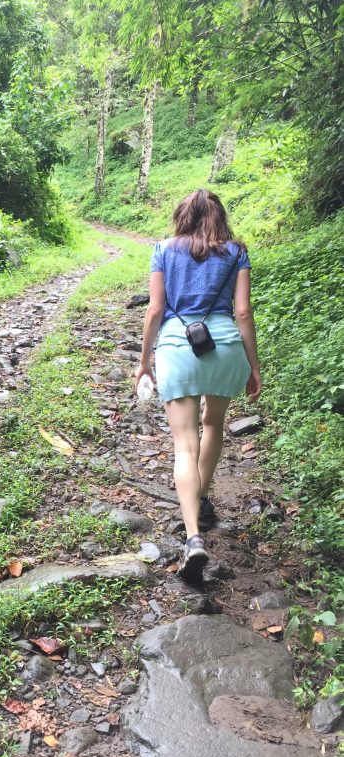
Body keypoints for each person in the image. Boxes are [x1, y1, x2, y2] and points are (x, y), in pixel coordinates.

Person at [135, 189, 261, 586]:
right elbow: (242, 311)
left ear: (182, 216)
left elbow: (155, 309)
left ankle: (193, 536)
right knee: (214, 425)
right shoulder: (236, 252)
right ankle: (203, 495)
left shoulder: (162, 249)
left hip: (176, 347)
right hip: (225, 347)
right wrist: (254, 366)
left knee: (183, 443)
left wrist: (143, 364)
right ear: (219, 217)